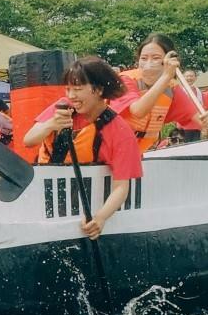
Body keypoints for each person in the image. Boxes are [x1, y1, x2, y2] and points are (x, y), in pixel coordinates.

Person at [20, 57, 143, 238]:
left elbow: (121, 187)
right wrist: (51, 124)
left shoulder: (120, 132)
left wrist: (100, 218)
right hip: (44, 193)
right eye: (68, 89)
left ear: (99, 90)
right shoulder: (62, 108)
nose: (71, 96)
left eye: (77, 89)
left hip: (81, 202)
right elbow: (28, 140)